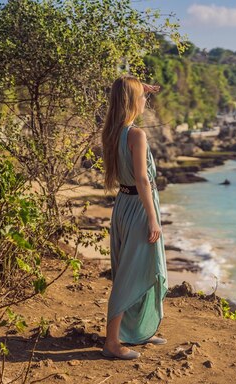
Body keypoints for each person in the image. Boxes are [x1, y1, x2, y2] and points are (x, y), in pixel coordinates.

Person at [100, 75, 168, 360]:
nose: (146, 101)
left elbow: (133, 180)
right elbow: (142, 179)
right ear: (131, 101)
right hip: (140, 206)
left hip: (123, 206)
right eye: (142, 97)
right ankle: (112, 342)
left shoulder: (113, 131)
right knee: (131, 274)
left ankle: (139, 330)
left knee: (135, 268)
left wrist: (140, 87)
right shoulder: (136, 135)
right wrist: (153, 218)